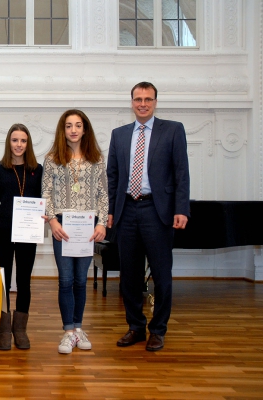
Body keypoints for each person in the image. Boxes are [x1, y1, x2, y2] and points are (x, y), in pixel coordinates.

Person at [107, 82, 190, 352]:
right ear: (131, 102)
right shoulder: (118, 135)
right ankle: (135, 327)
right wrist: (110, 211)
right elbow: (113, 177)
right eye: (138, 99)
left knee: (162, 275)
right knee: (129, 276)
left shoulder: (173, 130)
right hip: (126, 211)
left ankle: (158, 330)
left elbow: (181, 173)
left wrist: (181, 208)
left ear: (155, 102)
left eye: (148, 99)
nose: (143, 103)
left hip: (158, 210)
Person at [42, 109, 108, 354]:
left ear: (85, 129)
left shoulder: (97, 158)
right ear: (63, 130)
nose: (73, 130)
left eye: (78, 125)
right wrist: (52, 221)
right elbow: (46, 192)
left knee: (81, 280)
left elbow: (103, 194)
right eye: (68, 125)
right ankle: (68, 332)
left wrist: (101, 223)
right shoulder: (52, 159)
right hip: (62, 225)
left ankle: (79, 328)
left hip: (88, 226)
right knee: (66, 280)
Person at [0, 123, 43, 350]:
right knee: (4, 282)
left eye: (23, 141)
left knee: (24, 282)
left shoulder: (38, 170)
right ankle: (4, 330)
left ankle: (20, 330)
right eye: (15, 140)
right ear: (8, 142)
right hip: (2, 233)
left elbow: (42, 199)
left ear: (28, 144)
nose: (19, 145)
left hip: (28, 233)